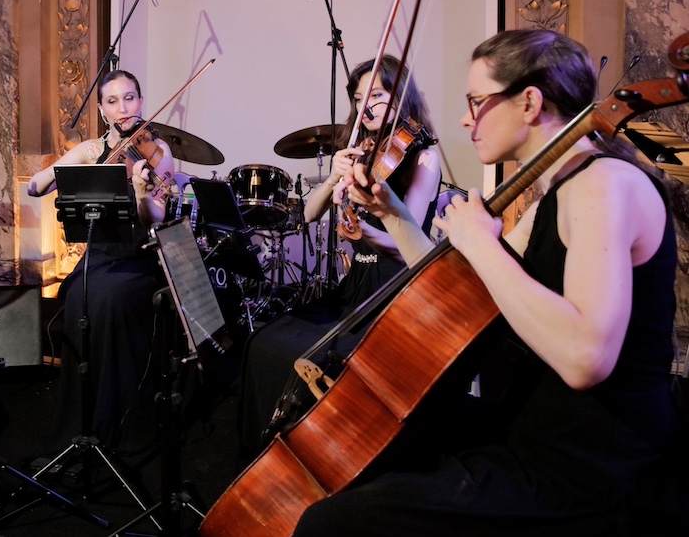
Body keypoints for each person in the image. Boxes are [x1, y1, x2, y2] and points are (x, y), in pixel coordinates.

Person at [294, 29, 688, 534]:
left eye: (476, 102)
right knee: (376, 441)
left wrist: (481, 243)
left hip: (593, 466)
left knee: (334, 524)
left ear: (528, 102)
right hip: (540, 426)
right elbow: (464, 293)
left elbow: (586, 358)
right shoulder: (559, 191)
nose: (464, 119)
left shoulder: (604, 185)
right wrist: (393, 215)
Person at [238, 54, 442, 456]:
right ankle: (265, 460)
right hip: (356, 285)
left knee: (321, 357)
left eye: (378, 95)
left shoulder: (423, 158)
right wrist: (334, 175)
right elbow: (310, 214)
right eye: (358, 96)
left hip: (394, 289)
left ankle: (321, 456)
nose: (366, 105)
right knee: (263, 341)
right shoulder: (363, 153)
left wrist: (365, 231)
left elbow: (411, 241)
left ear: (401, 96)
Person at [29, 69, 175, 456]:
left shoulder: (157, 150)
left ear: (140, 101)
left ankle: (123, 421)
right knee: (77, 293)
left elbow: (154, 219)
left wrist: (144, 193)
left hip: (140, 257)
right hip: (101, 255)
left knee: (109, 299)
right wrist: (49, 179)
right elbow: (37, 184)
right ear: (101, 108)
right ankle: (82, 421)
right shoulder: (92, 150)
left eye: (129, 98)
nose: (122, 107)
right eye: (113, 101)